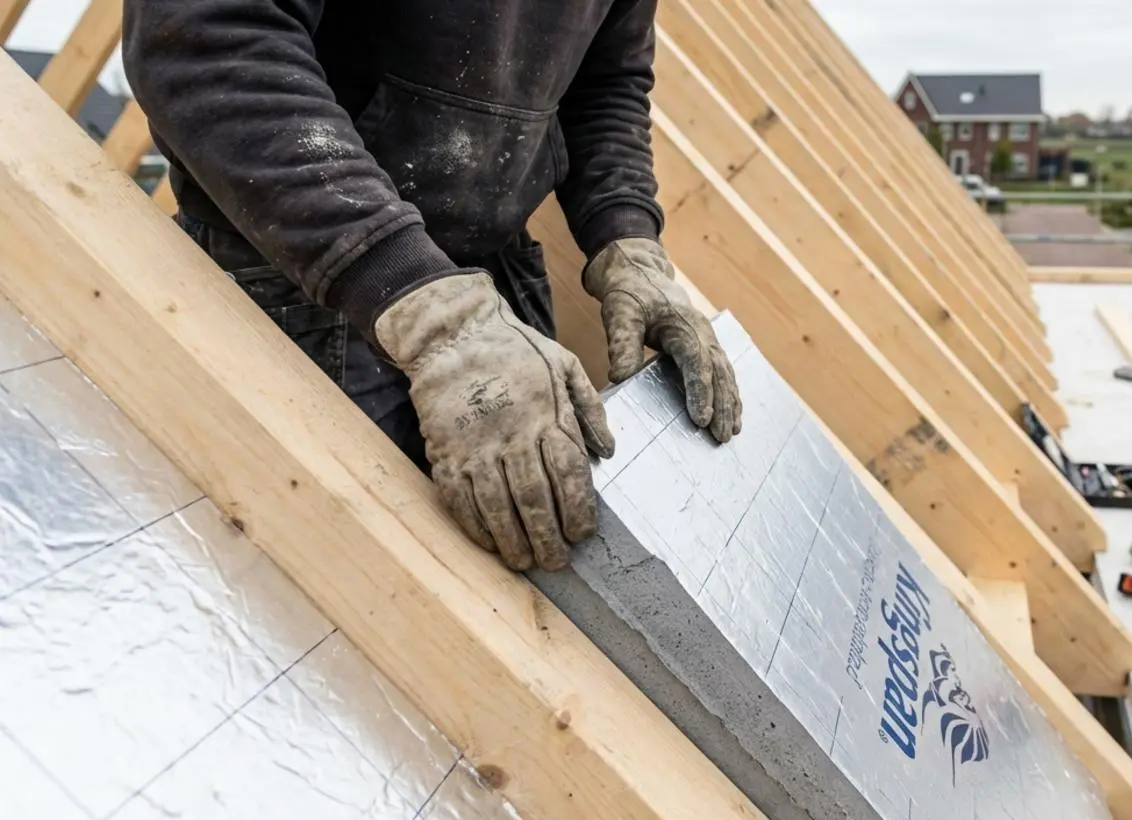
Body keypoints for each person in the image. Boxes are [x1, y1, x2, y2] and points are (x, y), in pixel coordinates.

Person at [123, 0, 743, 573]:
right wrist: (430, 315)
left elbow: (606, 83)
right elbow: (211, 38)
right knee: (300, 587)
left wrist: (628, 241)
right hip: (304, 271)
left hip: (490, 292)